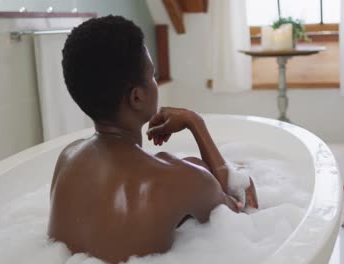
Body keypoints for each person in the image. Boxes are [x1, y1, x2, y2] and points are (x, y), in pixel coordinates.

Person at [48, 15, 258, 264]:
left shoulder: (68, 158)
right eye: (153, 75)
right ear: (136, 97)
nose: (156, 83)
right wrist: (194, 122)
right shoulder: (180, 179)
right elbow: (245, 208)